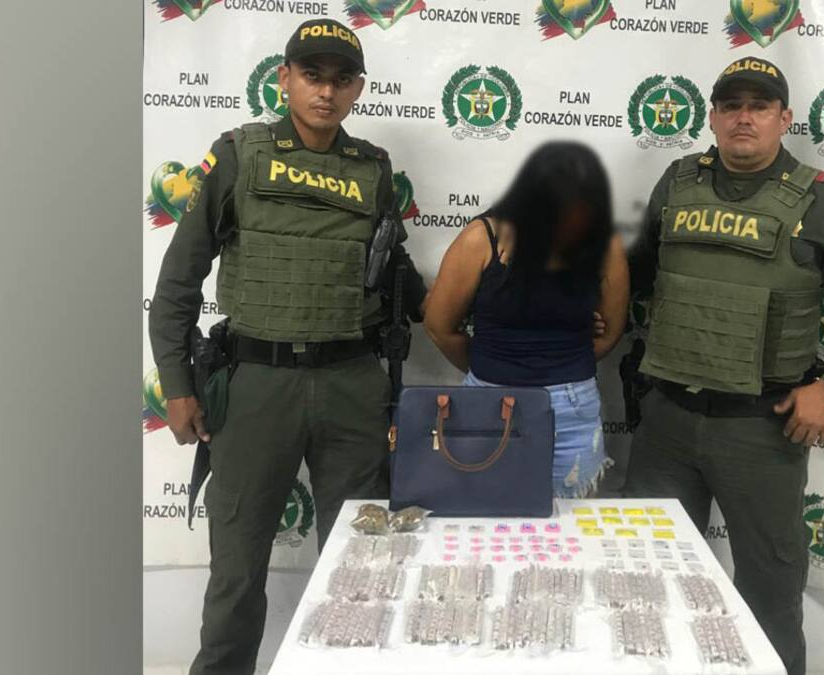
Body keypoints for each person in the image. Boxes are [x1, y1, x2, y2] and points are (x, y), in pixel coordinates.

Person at [147, 18, 426, 675]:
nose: (326, 92)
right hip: (256, 383)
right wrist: (177, 386)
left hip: (351, 384)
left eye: (341, 79)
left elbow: (397, 277)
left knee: (360, 565)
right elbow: (178, 282)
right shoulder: (238, 155)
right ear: (285, 79)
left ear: (358, 88)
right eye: (311, 75)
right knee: (237, 570)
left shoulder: (373, 169)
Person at [623, 56, 824, 675]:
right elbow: (637, 275)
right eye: (731, 106)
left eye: (759, 106)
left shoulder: (823, 198)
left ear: (784, 118)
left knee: (769, 602)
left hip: (760, 430)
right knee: (647, 583)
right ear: (713, 117)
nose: (743, 118)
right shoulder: (678, 181)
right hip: (666, 423)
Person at [423, 142, 629, 498]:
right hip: (488, 399)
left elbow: (609, 333)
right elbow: (439, 327)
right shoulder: (481, 238)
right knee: (483, 522)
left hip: (572, 410)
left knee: (569, 527)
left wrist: (559, 363)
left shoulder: (602, 244)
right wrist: (492, 363)